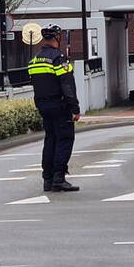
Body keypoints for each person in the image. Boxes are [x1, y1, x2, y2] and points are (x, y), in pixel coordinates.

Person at [27, 23, 81, 193]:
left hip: (43, 106)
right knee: (64, 140)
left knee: (50, 140)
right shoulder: (59, 58)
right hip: (59, 106)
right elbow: (67, 85)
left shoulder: (35, 60)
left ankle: (47, 179)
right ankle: (59, 178)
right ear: (58, 37)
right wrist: (74, 108)